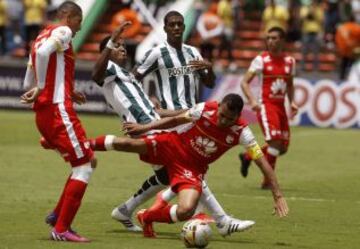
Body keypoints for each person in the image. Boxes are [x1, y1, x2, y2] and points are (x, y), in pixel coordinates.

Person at [90, 20, 255, 237]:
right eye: (118, 46)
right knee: (188, 167)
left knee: (170, 176)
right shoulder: (141, 59)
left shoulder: (188, 53)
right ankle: (220, 220)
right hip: (157, 126)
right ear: (166, 28)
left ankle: (126, 210)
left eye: (180, 24)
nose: (123, 49)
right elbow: (100, 76)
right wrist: (111, 43)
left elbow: (209, 83)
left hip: (172, 119)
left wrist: (206, 72)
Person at [102, 94, 290, 237]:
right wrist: (146, 127)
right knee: (131, 147)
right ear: (219, 106)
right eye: (221, 115)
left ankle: (143, 215)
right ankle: (86, 147)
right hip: (173, 147)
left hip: (193, 167)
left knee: (181, 202)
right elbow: (176, 120)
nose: (222, 121)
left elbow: (261, 162)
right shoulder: (205, 109)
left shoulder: (243, 132)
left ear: (238, 117)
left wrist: (278, 194)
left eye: (228, 119)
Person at [20, 1, 96, 242]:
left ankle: (57, 216)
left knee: (83, 162)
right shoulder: (62, 31)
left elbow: (26, 81)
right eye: (79, 22)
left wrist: (59, 89)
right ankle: (61, 228)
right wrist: (44, 88)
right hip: (58, 112)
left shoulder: (41, 35)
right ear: (69, 17)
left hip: (44, 114)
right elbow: (44, 56)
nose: (79, 28)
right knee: (85, 165)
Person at [239, 27, 298, 189]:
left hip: (280, 108)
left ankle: (248, 156)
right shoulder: (261, 60)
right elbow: (244, 82)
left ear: (283, 40)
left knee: (282, 148)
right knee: (274, 144)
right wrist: (252, 101)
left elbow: (290, 85)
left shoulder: (290, 61)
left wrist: (292, 102)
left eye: (274, 38)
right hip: (266, 106)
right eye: (268, 38)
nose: (270, 41)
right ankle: (268, 181)